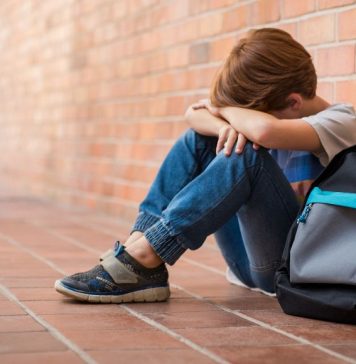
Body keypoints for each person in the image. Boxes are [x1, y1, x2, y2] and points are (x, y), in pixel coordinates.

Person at [55, 28, 356, 303]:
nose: (242, 119)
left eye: (248, 114)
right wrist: (221, 120)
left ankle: (147, 254)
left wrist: (223, 110)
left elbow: (264, 131)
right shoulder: (269, 115)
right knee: (199, 139)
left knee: (246, 156)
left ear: (293, 103)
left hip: (287, 267)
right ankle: (140, 253)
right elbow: (193, 115)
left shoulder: (342, 122)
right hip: (244, 263)